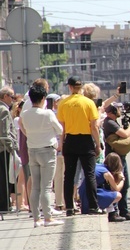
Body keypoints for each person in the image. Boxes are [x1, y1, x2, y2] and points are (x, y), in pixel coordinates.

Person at [57, 76, 101, 216]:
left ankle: (69, 207)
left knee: (68, 176)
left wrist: (62, 145)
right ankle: (93, 206)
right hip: (86, 141)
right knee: (89, 174)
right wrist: (98, 144)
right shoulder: (88, 103)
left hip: (70, 140)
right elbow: (94, 127)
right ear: (80, 87)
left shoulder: (63, 103)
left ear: (70, 87)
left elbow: (62, 129)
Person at [22, 84, 64, 227]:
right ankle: (48, 217)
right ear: (43, 99)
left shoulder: (24, 114)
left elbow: (24, 129)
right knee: (46, 187)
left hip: (32, 150)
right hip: (47, 150)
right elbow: (59, 130)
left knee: (35, 186)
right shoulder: (48, 114)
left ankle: (36, 219)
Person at [102, 104, 130, 220]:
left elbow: (129, 135)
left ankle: (123, 210)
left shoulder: (114, 121)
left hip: (120, 157)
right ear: (112, 111)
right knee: (116, 184)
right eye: (118, 109)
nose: (120, 111)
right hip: (114, 158)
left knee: (125, 184)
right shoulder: (109, 122)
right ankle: (114, 212)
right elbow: (125, 134)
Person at [79, 152, 127, 222]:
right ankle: (112, 214)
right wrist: (122, 179)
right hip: (89, 196)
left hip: (84, 193)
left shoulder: (98, 166)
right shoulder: (106, 173)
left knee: (107, 193)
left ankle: (112, 213)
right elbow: (116, 189)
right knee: (117, 195)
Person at [0, 87, 18, 212]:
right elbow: (5, 133)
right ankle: (5, 205)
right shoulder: (4, 110)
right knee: (4, 178)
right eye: (12, 96)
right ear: (5, 96)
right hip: (3, 149)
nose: (13, 99)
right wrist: (11, 148)